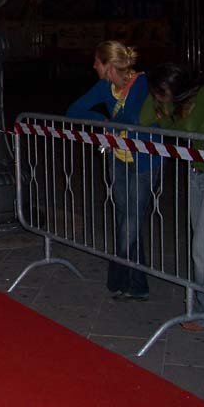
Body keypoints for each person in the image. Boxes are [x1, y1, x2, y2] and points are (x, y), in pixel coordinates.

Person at [142, 62, 204, 332]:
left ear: (173, 86)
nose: (158, 96)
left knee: (202, 247)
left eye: (160, 90)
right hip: (197, 175)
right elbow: (146, 120)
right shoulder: (178, 104)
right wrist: (157, 98)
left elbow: (190, 128)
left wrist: (166, 107)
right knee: (203, 246)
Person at [67, 40, 156, 301]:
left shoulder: (141, 83)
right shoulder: (104, 86)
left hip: (144, 160)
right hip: (117, 158)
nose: (93, 66)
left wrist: (112, 124)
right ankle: (136, 284)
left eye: (97, 61)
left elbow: (132, 117)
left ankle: (121, 276)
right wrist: (104, 121)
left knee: (131, 219)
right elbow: (74, 110)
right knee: (124, 218)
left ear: (108, 65)